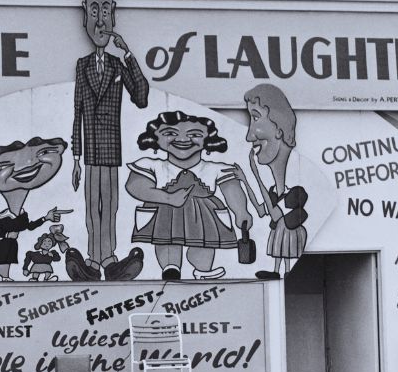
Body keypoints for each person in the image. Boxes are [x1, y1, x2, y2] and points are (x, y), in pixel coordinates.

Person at [70, 0, 149, 281]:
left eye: (105, 10)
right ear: (84, 15)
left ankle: (110, 258)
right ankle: (92, 259)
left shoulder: (119, 65)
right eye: (93, 10)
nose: (100, 20)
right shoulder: (82, 65)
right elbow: (77, 112)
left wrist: (128, 53)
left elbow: (141, 96)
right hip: (90, 152)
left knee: (111, 206)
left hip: (111, 149)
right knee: (93, 208)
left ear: (114, 14)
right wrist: (76, 158)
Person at [126, 110, 254, 279]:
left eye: (194, 134)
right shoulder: (152, 165)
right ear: (155, 138)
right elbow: (135, 186)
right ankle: (170, 268)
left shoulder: (215, 169)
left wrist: (241, 212)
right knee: (166, 239)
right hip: (165, 213)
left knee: (204, 242)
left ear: (208, 139)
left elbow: (232, 189)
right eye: (170, 133)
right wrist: (167, 198)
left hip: (203, 217)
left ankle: (203, 269)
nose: (183, 139)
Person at [0, 137, 72, 281]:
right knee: (5, 257)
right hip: (7, 242)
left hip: (11, 242)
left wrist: (46, 218)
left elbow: (28, 226)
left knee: (7, 256)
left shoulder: (21, 214)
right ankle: (3, 276)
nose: (27, 165)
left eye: (44, 152)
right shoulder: (1, 218)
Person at [241, 84, 308, 279]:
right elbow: (262, 211)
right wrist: (245, 179)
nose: (248, 135)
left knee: (284, 250)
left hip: (288, 232)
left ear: (279, 129)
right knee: (279, 251)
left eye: (255, 117)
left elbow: (273, 212)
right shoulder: (274, 190)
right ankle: (278, 270)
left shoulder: (295, 192)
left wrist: (254, 173)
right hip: (280, 229)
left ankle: (287, 271)